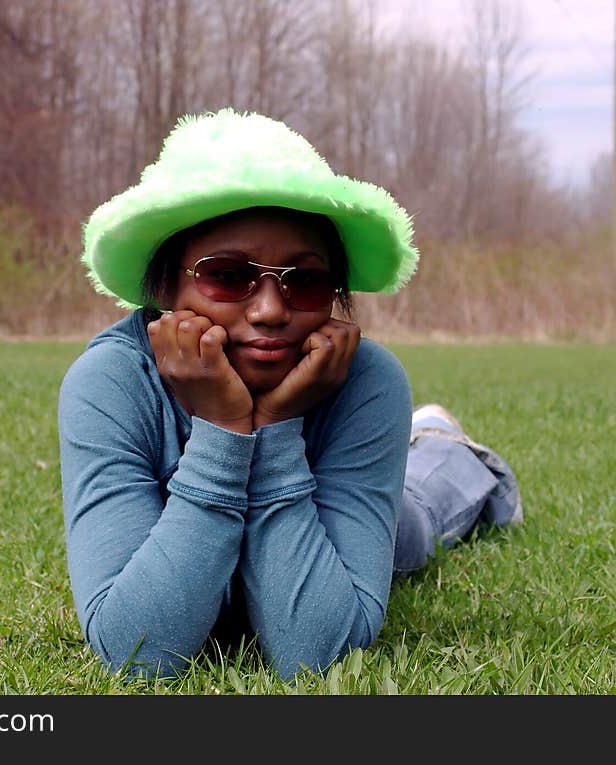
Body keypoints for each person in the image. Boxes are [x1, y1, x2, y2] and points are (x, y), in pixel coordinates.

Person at [57, 108, 522, 681]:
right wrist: (226, 428)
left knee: (416, 518)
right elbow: (138, 652)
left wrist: (274, 425)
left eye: (304, 280)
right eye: (226, 275)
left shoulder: (364, 383)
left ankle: (446, 447)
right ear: (165, 286)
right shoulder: (110, 384)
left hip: (336, 512)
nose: (270, 310)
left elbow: (315, 652)